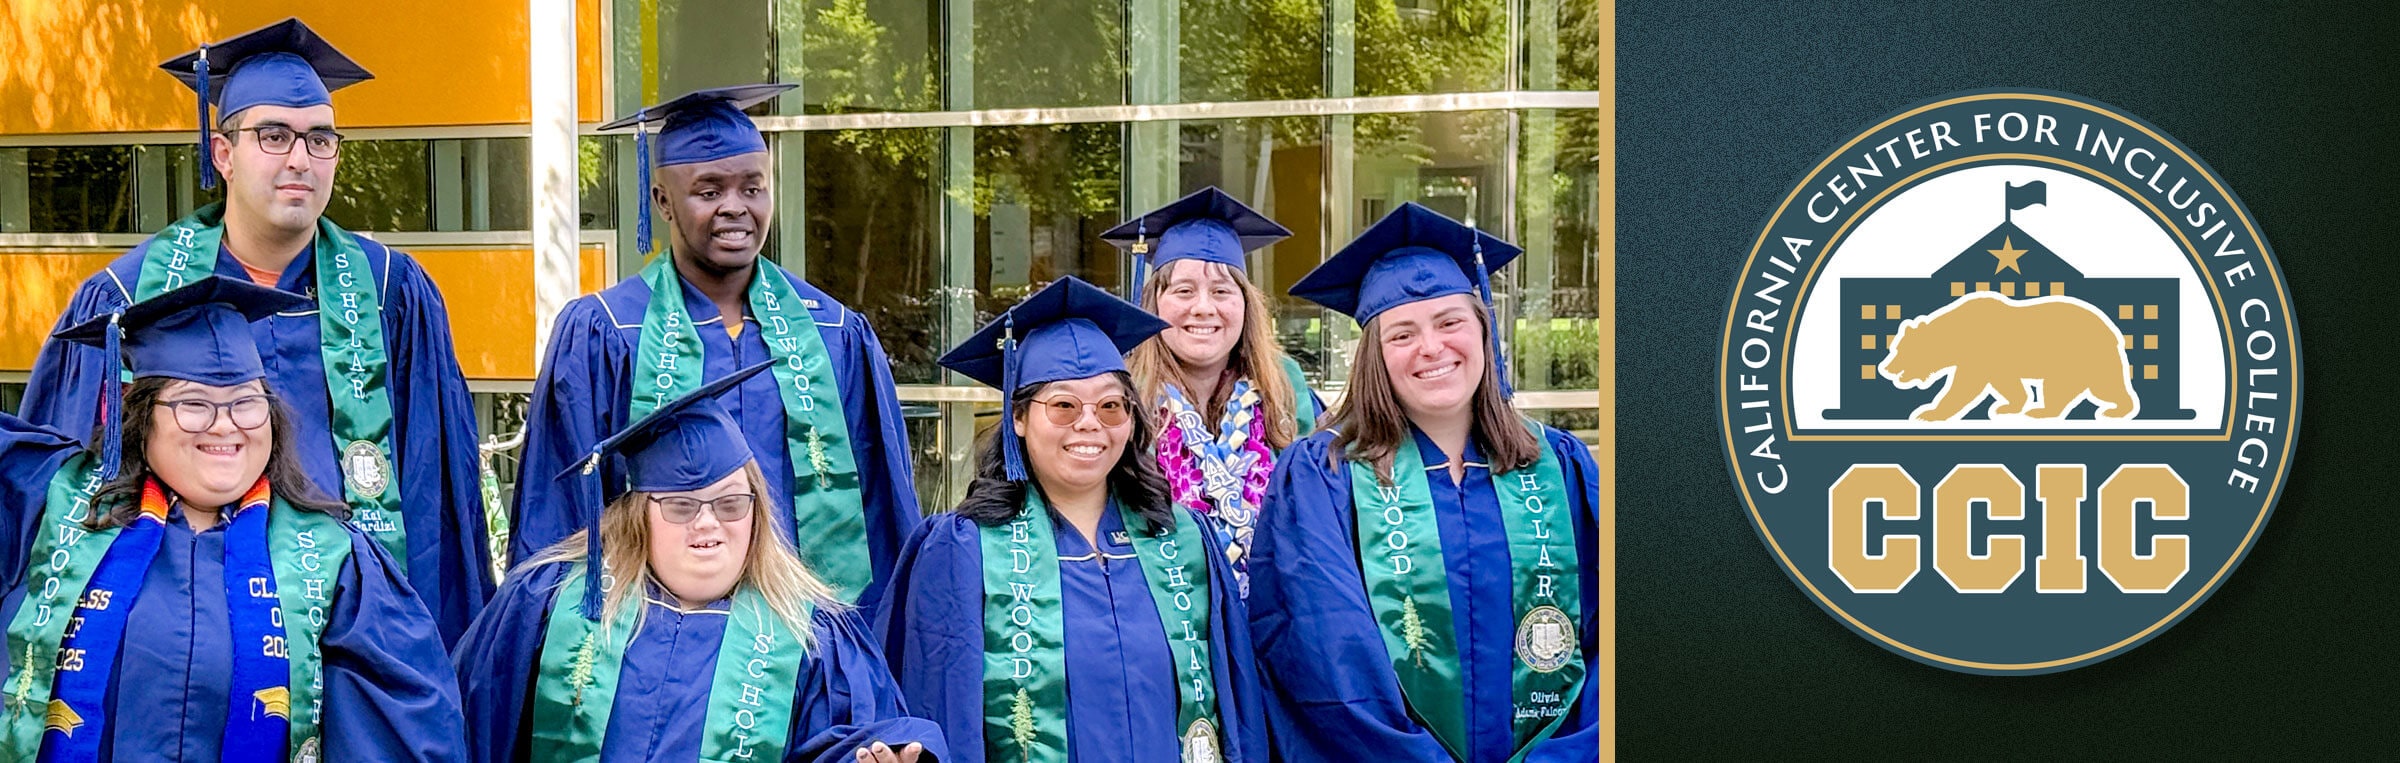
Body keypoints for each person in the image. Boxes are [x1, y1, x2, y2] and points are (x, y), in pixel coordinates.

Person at [15, 17, 494, 646]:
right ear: (223, 153)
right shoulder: (128, 298)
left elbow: (437, 496)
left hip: (355, 628)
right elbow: (68, 492)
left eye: (320, 140)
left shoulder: (392, 294)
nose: (300, 158)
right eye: (273, 135)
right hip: (187, 630)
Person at [0, 277, 464, 761]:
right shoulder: (47, 506)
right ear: (140, 418)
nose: (225, 424)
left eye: (246, 402)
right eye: (193, 404)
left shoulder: (337, 564)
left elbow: (397, 739)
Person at [511, 84, 919, 615]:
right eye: (709, 191)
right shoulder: (605, 332)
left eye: (753, 188)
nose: (736, 208)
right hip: (652, 641)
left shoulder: (834, 333)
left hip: (811, 636)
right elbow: (561, 511)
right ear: (662, 200)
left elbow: (880, 513)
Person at [454, 360, 943, 763]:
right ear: (638, 514)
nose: (708, 524)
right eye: (681, 505)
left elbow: (856, 744)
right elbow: (466, 730)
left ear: (758, 511)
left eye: (731, 504)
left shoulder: (816, 640)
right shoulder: (546, 604)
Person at [1252, 204, 1599, 761]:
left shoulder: (1559, 464)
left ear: (1483, 333)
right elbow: (1324, 657)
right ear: (1374, 357)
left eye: (1450, 322)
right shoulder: (1323, 477)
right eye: (1402, 333)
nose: (1431, 347)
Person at [875, 277, 1267, 762]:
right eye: (1062, 406)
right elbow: (938, 715)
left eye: (1110, 405)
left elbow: (1236, 710)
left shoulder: (1184, 538)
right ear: (1018, 417)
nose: (1089, 423)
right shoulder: (964, 551)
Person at [1103, 187, 1324, 597]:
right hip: (1168, 619)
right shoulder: (1121, 398)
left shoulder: (1286, 388)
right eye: (1183, 291)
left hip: (1273, 620)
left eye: (1222, 291)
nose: (1203, 307)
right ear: (1153, 303)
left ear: (1245, 304)